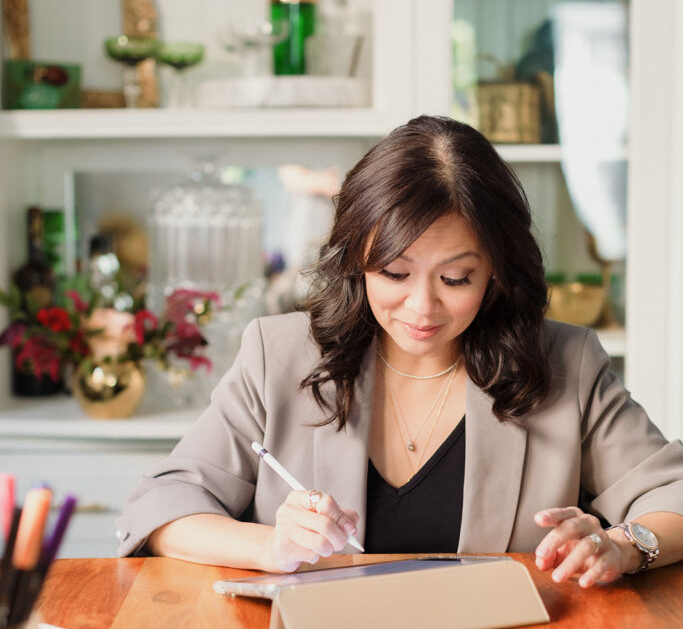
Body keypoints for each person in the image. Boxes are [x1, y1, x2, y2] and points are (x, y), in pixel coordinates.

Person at [118, 115, 683, 587]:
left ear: (496, 273)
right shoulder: (280, 354)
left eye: (456, 279)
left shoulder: (566, 362)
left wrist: (626, 544)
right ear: (356, 260)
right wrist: (272, 546)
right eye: (394, 272)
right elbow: (160, 507)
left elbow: (674, 494)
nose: (422, 307)